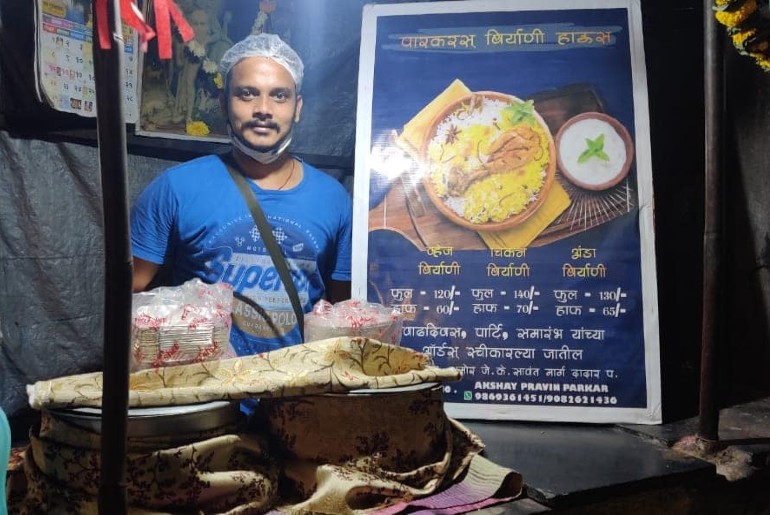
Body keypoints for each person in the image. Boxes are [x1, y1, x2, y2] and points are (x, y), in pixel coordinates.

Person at [131, 33, 353, 356]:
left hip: (294, 394)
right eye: (247, 94)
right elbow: (128, 294)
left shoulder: (334, 200)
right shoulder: (176, 188)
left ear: (298, 107)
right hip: (206, 396)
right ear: (223, 103)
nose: (263, 109)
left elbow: (340, 313)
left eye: (279, 96)